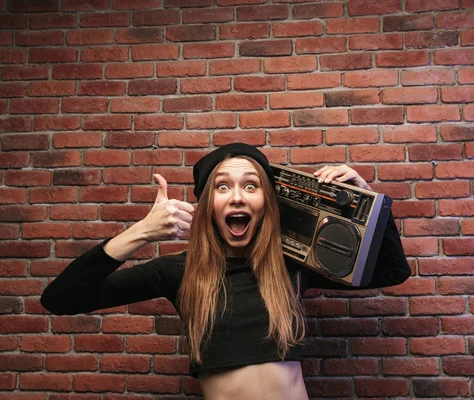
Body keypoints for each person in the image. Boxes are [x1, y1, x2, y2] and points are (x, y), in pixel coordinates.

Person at [40, 142, 411, 400]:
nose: (237, 196)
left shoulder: (294, 266)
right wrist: (140, 233)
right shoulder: (178, 271)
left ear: (267, 202)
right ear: (206, 206)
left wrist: (370, 204)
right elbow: (61, 299)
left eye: (251, 185)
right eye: (223, 186)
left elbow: (393, 271)